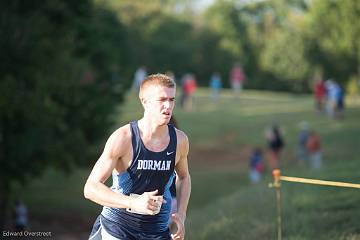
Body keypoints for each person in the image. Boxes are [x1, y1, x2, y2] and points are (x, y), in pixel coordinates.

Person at [84, 74, 191, 240]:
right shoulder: (124, 138)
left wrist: (181, 214)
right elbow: (90, 188)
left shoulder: (180, 140)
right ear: (145, 101)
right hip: (117, 230)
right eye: (162, 99)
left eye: (171, 99)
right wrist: (133, 203)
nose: (168, 105)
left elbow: (184, 177)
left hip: (158, 233)